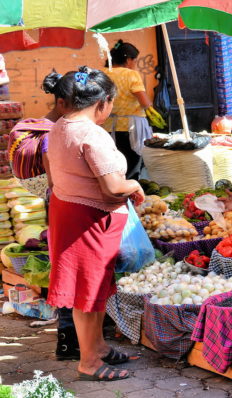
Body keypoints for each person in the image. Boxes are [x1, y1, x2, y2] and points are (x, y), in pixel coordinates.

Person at [47, 66, 145, 381]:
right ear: (102, 103)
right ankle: (88, 360)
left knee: (94, 287)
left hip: (71, 212)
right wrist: (135, 186)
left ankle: (99, 347)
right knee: (87, 293)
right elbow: (113, 188)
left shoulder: (59, 126)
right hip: (88, 220)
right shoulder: (91, 134)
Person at [8, 71, 81, 361]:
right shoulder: (56, 134)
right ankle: (70, 340)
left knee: (62, 267)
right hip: (65, 207)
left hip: (56, 210)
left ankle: (68, 340)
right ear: (63, 104)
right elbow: (57, 182)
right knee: (69, 270)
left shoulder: (41, 125)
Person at [103, 40, 163, 180]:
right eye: (135, 61)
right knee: (132, 168)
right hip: (130, 129)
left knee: (113, 167)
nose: (134, 64)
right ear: (128, 60)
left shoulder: (102, 73)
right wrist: (153, 112)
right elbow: (144, 102)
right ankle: (131, 197)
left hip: (106, 128)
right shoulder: (130, 74)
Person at [8, 71, 72, 198]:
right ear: (61, 103)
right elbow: (54, 184)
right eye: (81, 106)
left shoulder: (36, 124)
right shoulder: (52, 135)